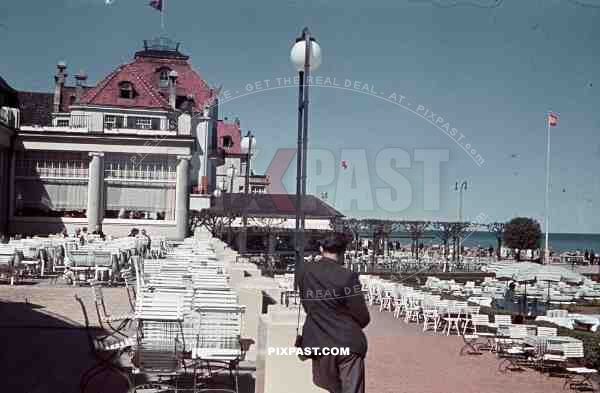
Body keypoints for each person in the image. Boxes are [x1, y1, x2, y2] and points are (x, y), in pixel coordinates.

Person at [297, 232, 370, 393]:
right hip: (347, 344)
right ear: (344, 251)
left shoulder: (304, 271)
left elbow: (308, 306)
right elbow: (363, 317)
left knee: (331, 388)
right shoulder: (347, 276)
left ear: (321, 248)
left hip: (318, 342)